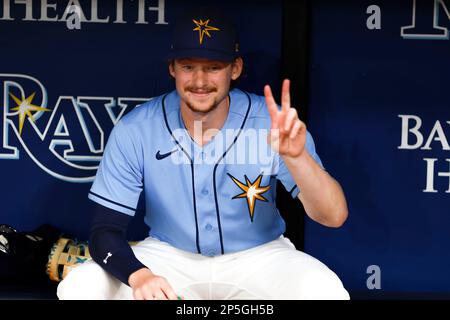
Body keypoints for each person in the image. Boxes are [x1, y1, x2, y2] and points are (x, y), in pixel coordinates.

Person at [57, 9, 350, 300]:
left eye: (213, 67)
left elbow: (333, 215)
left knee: (324, 291)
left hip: (260, 256)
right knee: (79, 287)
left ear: (234, 69)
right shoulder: (137, 128)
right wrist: (139, 275)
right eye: (188, 66)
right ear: (172, 68)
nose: (199, 80)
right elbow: (104, 230)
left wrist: (297, 158)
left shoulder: (271, 122)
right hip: (168, 255)